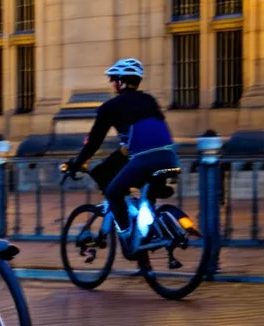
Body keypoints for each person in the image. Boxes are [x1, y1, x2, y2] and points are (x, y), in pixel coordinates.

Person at [63, 58, 179, 255]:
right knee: (144, 194)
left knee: (113, 192)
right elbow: (142, 140)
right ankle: (147, 233)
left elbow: (94, 142)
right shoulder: (149, 100)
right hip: (169, 158)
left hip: (143, 158)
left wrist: (77, 163)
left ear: (120, 81)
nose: (112, 84)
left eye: (113, 80)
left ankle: (127, 237)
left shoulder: (110, 107)